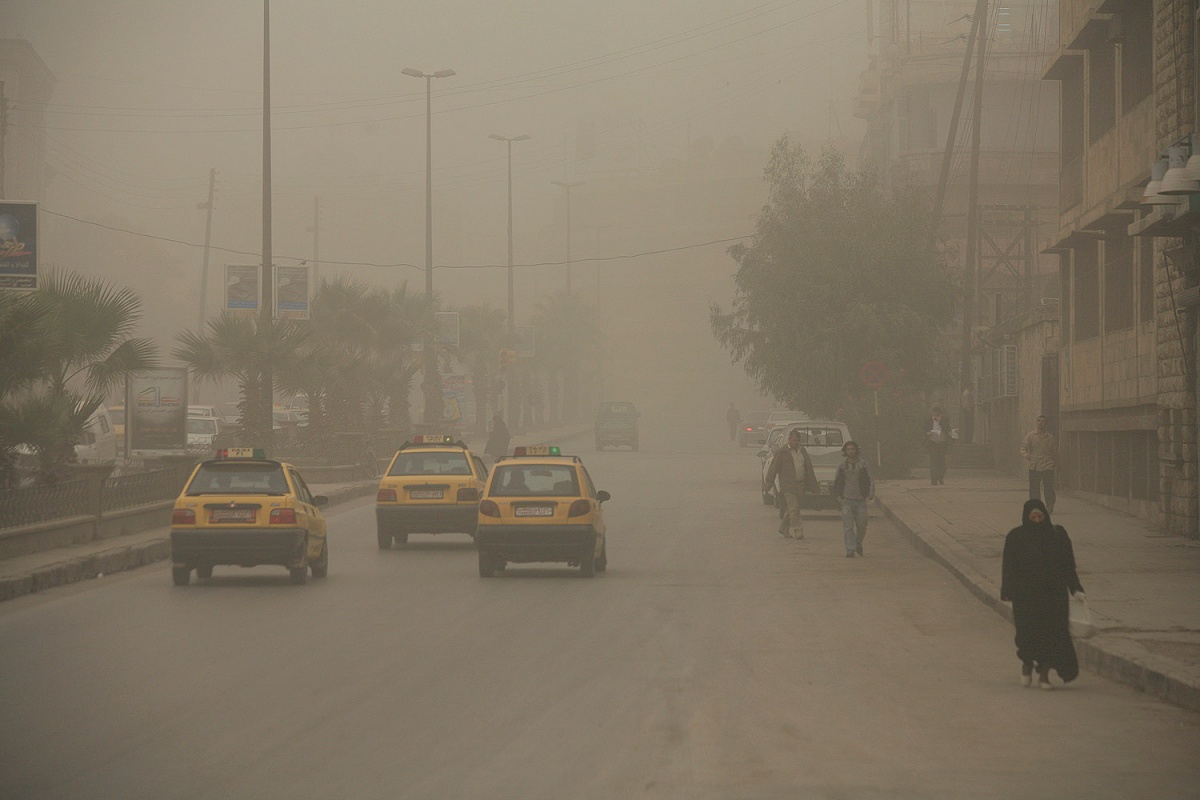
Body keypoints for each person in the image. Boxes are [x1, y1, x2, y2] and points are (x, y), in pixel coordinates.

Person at [1000, 499, 1085, 690]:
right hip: (1026, 597)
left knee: (1052, 635)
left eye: (1040, 517)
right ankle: (1027, 664)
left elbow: (1068, 564)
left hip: (1054, 596)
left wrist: (1076, 588)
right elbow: (1008, 566)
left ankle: (1044, 676)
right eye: (1033, 517)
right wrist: (1007, 590)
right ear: (1026, 517)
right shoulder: (1016, 537)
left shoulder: (1058, 535)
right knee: (1027, 634)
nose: (1037, 521)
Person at [764, 428, 818, 539]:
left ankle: (783, 528)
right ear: (789, 440)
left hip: (800, 485)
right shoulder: (782, 452)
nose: (796, 442)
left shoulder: (802, 451)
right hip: (788, 485)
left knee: (793, 508)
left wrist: (813, 485)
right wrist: (768, 484)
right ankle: (798, 530)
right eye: (794, 440)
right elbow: (773, 468)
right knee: (794, 507)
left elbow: (808, 468)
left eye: (797, 440)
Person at [833, 440, 874, 557]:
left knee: (862, 525)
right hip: (847, 500)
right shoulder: (842, 466)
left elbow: (870, 479)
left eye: (853, 449)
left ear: (856, 450)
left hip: (861, 500)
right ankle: (850, 549)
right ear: (845, 452)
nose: (851, 451)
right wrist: (838, 496)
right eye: (848, 449)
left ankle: (858, 543)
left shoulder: (863, 465)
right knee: (848, 527)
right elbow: (837, 482)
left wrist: (871, 493)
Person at [1020, 414, 1058, 513]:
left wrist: (1055, 462)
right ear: (1036, 422)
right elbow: (1023, 447)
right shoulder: (1030, 435)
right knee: (1034, 487)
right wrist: (1026, 455)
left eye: (1043, 421)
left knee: (1048, 486)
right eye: (1039, 421)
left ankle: (1049, 505)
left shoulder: (1050, 437)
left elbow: (1054, 451)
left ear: (1046, 423)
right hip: (1034, 465)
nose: (1041, 423)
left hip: (1047, 464)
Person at [921, 406, 954, 485]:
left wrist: (952, 438)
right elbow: (923, 430)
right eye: (934, 414)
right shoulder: (928, 421)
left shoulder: (944, 420)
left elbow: (948, 430)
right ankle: (934, 478)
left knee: (942, 461)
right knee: (934, 461)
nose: (935, 416)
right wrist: (927, 433)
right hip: (933, 442)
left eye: (937, 415)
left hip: (942, 443)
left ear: (940, 414)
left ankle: (940, 476)